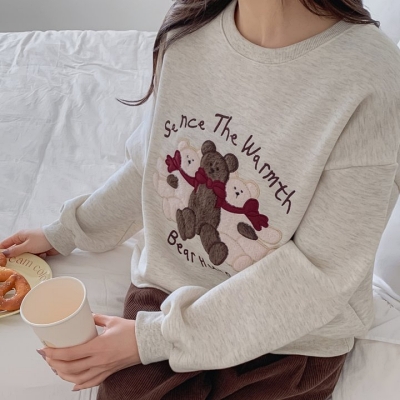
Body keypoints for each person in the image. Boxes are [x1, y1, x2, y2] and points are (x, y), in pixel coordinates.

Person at [2, 0, 400, 398]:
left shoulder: (370, 73)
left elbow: (321, 271)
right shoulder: (189, 30)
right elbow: (151, 169)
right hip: (168, 295)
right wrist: (67, 231)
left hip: (291, 340)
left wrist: (151, 339)